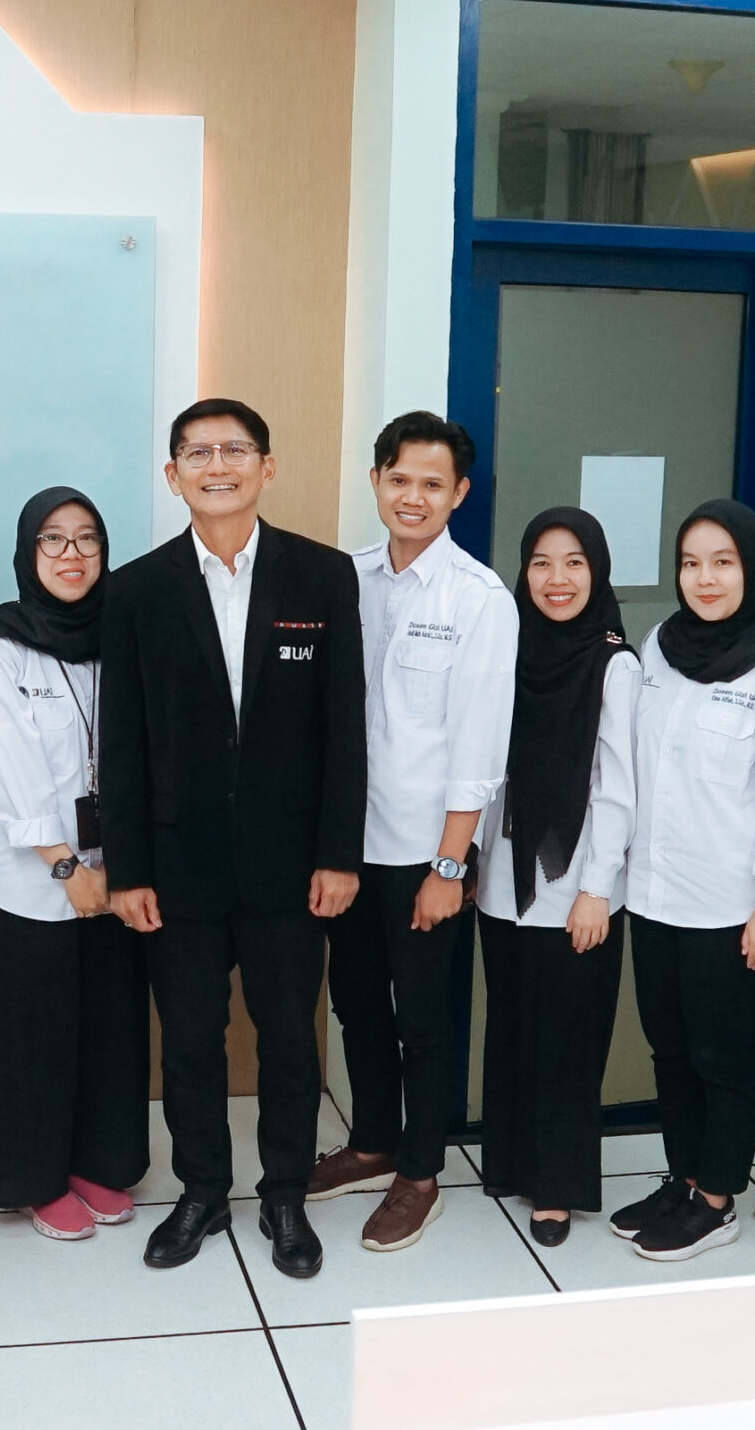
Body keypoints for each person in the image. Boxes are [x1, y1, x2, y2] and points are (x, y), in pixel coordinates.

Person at [102, 398, 366, 1279]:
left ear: (267, 466)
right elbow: (122, 741)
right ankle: (203, 1190)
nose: (218, 466)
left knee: (289, 1037)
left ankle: (285, 1191)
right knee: (189, 1041)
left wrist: (338, 853)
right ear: (172, 474)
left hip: (292, 867)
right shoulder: (137, 589)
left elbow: (345, 726)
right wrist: (128, 868)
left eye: (235, 450)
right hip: (175, 866)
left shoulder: (322, 576)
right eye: (198, 453)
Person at [313, 412, 517, 1252]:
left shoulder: (479, 598)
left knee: (424, 1019)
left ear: (459, 494)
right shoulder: (345, 578)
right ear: (376, 481)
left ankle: (421, 1172)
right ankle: (372, 1141)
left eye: (433, 484)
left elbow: (479, 748)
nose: (414, 496)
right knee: (357, 1004)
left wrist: (449, 865)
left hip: (424, 854)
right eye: (399, 479)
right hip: (347, 847)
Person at [609, 500, 755, 1263]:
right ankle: (685, 1177)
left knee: (722, 1059)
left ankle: (719, 1199)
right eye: (691, 562)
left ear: (752, 570)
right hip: (654, 892)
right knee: (668, 1050)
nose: (705, 578)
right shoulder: (660, 647)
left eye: (723, 562)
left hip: (730, 905)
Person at [0, 488, 151, 1240]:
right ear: (28, 553)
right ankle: (37, 1177)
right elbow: (12, 773)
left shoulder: (121, 634)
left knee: (108, 1028)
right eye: (53, 539)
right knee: (33, 1036)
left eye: (86, 539)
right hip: (31, 880)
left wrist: (117, 867)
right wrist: (68, 868)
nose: (71, 555)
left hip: (116, 876)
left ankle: (97, 1160)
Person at [474, 508, 637, 1249]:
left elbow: (617, 787)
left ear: (597, 571)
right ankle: (513, 1160)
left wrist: (597, 889)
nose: (557, 578)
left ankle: (558, 1186)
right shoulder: (508, 648)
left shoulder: (614, 665)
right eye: (541, 562)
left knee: (568, 1040)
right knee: (512, 1025)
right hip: (504, 881)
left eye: (574, 562)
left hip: (577, 886)